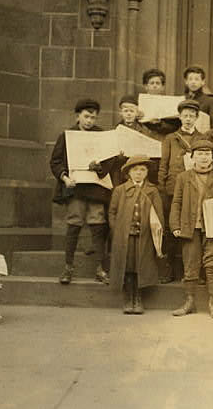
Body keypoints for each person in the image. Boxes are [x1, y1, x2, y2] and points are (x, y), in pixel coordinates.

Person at [50, 98, 118, 285]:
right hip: (76, 188)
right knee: (74, 224)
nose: (89, 121)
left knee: (98, 225)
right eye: (86, 117)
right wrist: (65, 178)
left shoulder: (101, 135)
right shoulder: (66, 136)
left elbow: (110, 160)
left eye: (93, 118)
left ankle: (100, 268)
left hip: (96, 188)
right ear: (77, 116)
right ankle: (68, 267)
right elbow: (55, 162)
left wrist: (99, 167)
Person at [170, 140, 213, 318]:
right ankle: (189, 302)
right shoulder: (184, 177)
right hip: (190, 226)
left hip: (212, 227)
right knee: (190, 264)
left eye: (207, 154)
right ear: (192, 157)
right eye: (200, 154)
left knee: (212, 263)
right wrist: (175, 225)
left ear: (212, 157)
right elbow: (177, 202)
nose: (204, 157)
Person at [158, 99, 208, 284]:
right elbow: (164, 164)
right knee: (172, 230)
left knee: (196, 230)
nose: (188, 119)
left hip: (195, 189)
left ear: (196, 118)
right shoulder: (171, 139)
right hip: (173, 190)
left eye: (191, 116)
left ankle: (197, 270)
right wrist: (163, 188)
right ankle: (169, 268)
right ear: (180, 117)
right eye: (185, 115)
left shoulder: (202, 138)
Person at [108, 155, 164, 315]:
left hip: (144, 236)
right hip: (125, 237)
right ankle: (128, 297)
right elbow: (112, 212)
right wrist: (117, 230)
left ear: (147, 172)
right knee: (128, 266)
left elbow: (158, 214)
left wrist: (156, 233)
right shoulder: (120, 190)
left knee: (141, 266)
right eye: (135, 170)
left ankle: (138, 298)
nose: (138, 173)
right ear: (128, 173)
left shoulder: (152, 191)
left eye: (142, 170)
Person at [140, 68, 181, 136]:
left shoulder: (170, 103)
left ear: (162, 87)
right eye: (152, 83)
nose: (155, 86)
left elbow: (174, 127)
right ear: (146, 86)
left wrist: (160, 123)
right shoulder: (138, 103)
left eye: (158, 83)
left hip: (162, 138)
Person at [183, 65, 213, 129]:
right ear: (186, 82)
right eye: (190, 79)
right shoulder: (181, 100)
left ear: (203, 82)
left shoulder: (210, 102)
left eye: (196, 79)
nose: (193, 82)